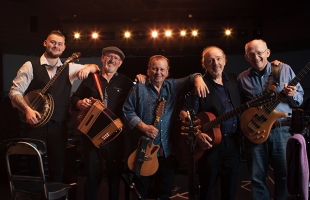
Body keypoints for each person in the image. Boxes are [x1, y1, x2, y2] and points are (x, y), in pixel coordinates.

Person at [8, 30, 100, 182]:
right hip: (34, 126)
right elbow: (14, 92)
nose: (56, 46)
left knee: (57, 169)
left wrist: (87, 68)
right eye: (52, 42)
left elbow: (95, 67)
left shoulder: (69, 68)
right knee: (34, 168)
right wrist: (27, 110)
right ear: (45, 43)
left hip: (59, 126)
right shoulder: (30, 66)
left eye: (59, 44)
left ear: (64, 48)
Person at [122, 55, 208, 199]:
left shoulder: (173, 86)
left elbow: (191, 77)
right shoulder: (138, 88)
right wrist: (143, 127)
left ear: (167, 71)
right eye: (154, 68)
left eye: (162, 69)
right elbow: (127, 111)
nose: (158, 73)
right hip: (143, 150)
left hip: (166, 151)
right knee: (141, 193)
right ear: (148, 70)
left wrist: (198, 78)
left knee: (164, 192)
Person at [237, 39, 304, 200]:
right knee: (257, 177)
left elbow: (300, 98)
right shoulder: (242, 79)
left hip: (281, 130)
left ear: (268, 53)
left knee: (284, 175)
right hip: (256, 131)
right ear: (246, 57)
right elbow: (242, 109)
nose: (256, 57)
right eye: (251, 54)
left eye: (259, 53)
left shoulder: (284, 69)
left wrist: (292, 94)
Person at [71, 46, 134, 200]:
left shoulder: (126, 82)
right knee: (92, 175)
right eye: (109, 56)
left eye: (116, 58)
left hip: (115, 136)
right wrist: (80, 103)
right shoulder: (91, 79)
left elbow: (135, 102)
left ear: (120, 63)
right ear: (102, 58)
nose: (112, 60)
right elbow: (74, 99)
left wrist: (142, 79)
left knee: (114, 176)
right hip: (92, 135)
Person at [179, 46, 241, 200]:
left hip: (233, 143)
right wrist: (197, 134)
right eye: (210, 60)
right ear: (204, 65)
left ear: (225, 60)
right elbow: (184, 113)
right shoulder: (200, 85)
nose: (216, 63)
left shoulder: (234, 80)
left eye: (219, 59)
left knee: (230, 191)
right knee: (207, 191)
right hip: (209, 146)